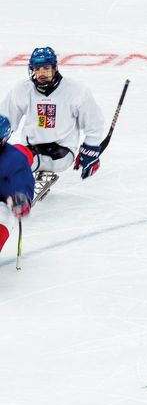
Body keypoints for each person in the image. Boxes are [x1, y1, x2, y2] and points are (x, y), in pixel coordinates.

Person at [0, 47, 107, 199]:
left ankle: (17, 193)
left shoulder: (75, 91)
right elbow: (6, 118)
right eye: (38, 69)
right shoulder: (23, 90)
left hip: (61, 151)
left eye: (46, 68)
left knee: (15, 160)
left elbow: (94, 123)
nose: (42, 73)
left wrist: (90, 150)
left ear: (55, 68)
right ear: (32, 70)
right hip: (31, 148)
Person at [0, 115, 35, 254]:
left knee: (3, 219)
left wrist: (21, 198)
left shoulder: (14, 159)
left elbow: (22, 181)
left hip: (1, 202)